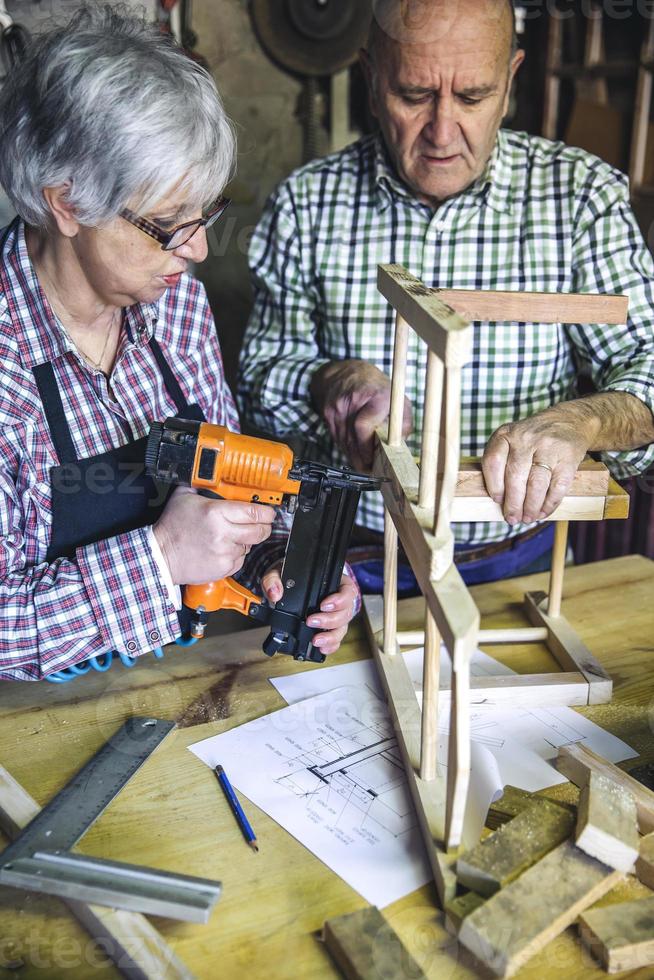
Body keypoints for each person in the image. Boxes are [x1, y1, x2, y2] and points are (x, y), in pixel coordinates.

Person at [238, 0, 654, 591]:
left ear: (510, 81)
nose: (441, 131)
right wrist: (331, 381)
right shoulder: (305, 204)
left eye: (473, 97)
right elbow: (255, 383)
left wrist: (585, 421)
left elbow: (649, 369)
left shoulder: (582, 199)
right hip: (349, 563)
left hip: (520, 564)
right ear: (372, 77)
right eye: (413, 95)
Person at [0, 5, 358, 680]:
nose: (196, 250)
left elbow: (228, 495)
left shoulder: (177, 308)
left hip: (184, 684)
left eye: (205, 214)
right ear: (67, 203)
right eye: (167, 224)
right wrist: (160, 558)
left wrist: (279, 563)